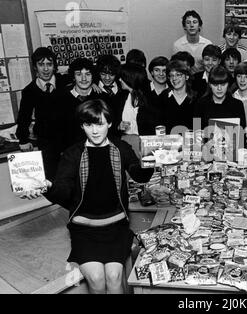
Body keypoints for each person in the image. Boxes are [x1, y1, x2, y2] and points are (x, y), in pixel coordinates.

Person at [20, 99, 154, 294]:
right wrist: (47, 187)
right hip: (84, 230)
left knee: (115, 277)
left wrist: (153, 161)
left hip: (116, 227)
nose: (95, 131)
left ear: (109, 123)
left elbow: (139, 174)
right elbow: (63, 191)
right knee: (97, 279)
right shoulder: (73, 154)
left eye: (99, 124)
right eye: (88, 124)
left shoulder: (121, 148)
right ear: (82, 126)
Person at [15, 47, 66, 180]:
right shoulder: (29, 91)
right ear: (35, 67)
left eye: (49, 64)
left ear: (54, 66)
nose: (45, 69)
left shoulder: (65, 83)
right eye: (41, 64)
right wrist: (23, 139)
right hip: (47, 142)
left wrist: (94, 84)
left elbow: (86, 72)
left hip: (68, 140)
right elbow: (23, 117)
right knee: (52, 179)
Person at [60, 58, 103, 150]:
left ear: (93, 76)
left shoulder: (102, 98)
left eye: (88, 74)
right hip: (70, 152)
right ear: (73, 76)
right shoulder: (61, 99)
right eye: (79, 74)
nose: (84, 79)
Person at [194, 65, 246, 131]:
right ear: (210, 84)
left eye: (223, 84)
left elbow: (242, 135)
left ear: (228, 84)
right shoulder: (200, 104)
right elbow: (196, 132)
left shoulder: (237, 105)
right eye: (215, 85)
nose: (219, 88)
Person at [117, 63, 157, 136]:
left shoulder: (150, 100)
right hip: (125, 140)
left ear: (130, 79)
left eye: (122, 77)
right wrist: (119, 126)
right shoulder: (121, 97)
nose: (119, 80)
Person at [95, 54, 129, 139]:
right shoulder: (93, 91)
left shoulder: (124, 89)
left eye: (111, 74)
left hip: (122, 137)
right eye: (103, 74)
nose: (107, 78)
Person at [159, 60, 197, 133]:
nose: (174, 79)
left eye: (178, 75)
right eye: (171, 75)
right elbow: (159, 124)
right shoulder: (163, 97)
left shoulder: (195, 98)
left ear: (187, 77)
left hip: (190, 142)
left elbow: (197, 126)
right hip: (168, 142)